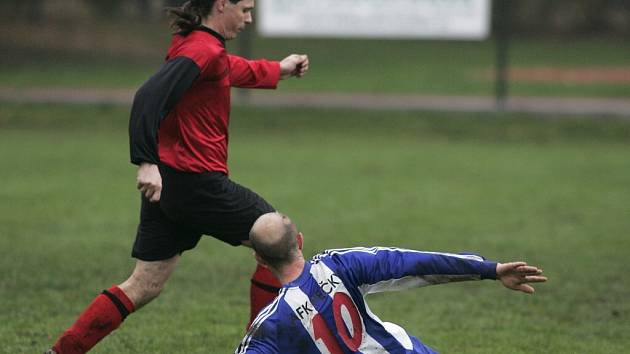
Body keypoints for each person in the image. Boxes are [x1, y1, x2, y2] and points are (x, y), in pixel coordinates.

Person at [46, 1, 309, 353]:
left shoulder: (200, 47)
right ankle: (258, 348)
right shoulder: (202, 50)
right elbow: (147, 97)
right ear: (220, 5)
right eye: (244, 9)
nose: (248, 19)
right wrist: (145, 161)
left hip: (171, 187)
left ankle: (63, 350)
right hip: (197, 183)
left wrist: (280, 69)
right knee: (282, 242)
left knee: (144, 285)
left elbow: (230, 69)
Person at [237, 212, 548, 354]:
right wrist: (489, 269)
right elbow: (413, 262)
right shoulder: (338, 264)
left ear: (261, 261)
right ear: (300, 241)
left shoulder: (270, 324)